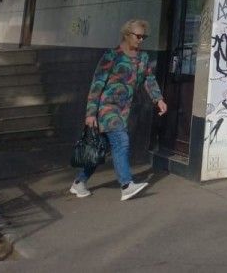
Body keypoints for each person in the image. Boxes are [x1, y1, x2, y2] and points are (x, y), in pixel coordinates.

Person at [70, 19, 167, 200]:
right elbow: (97, 83)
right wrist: (90, 113)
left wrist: (158, 99)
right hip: (106, 108)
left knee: (100, 148)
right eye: (138, 36)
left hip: (124, 110)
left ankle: (79, 182)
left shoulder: (142, 57)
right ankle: (126, 185)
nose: (141, 40)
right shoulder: (112, 55)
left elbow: (149, 79)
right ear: (127, 35)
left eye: (144, 37)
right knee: (121, 141)